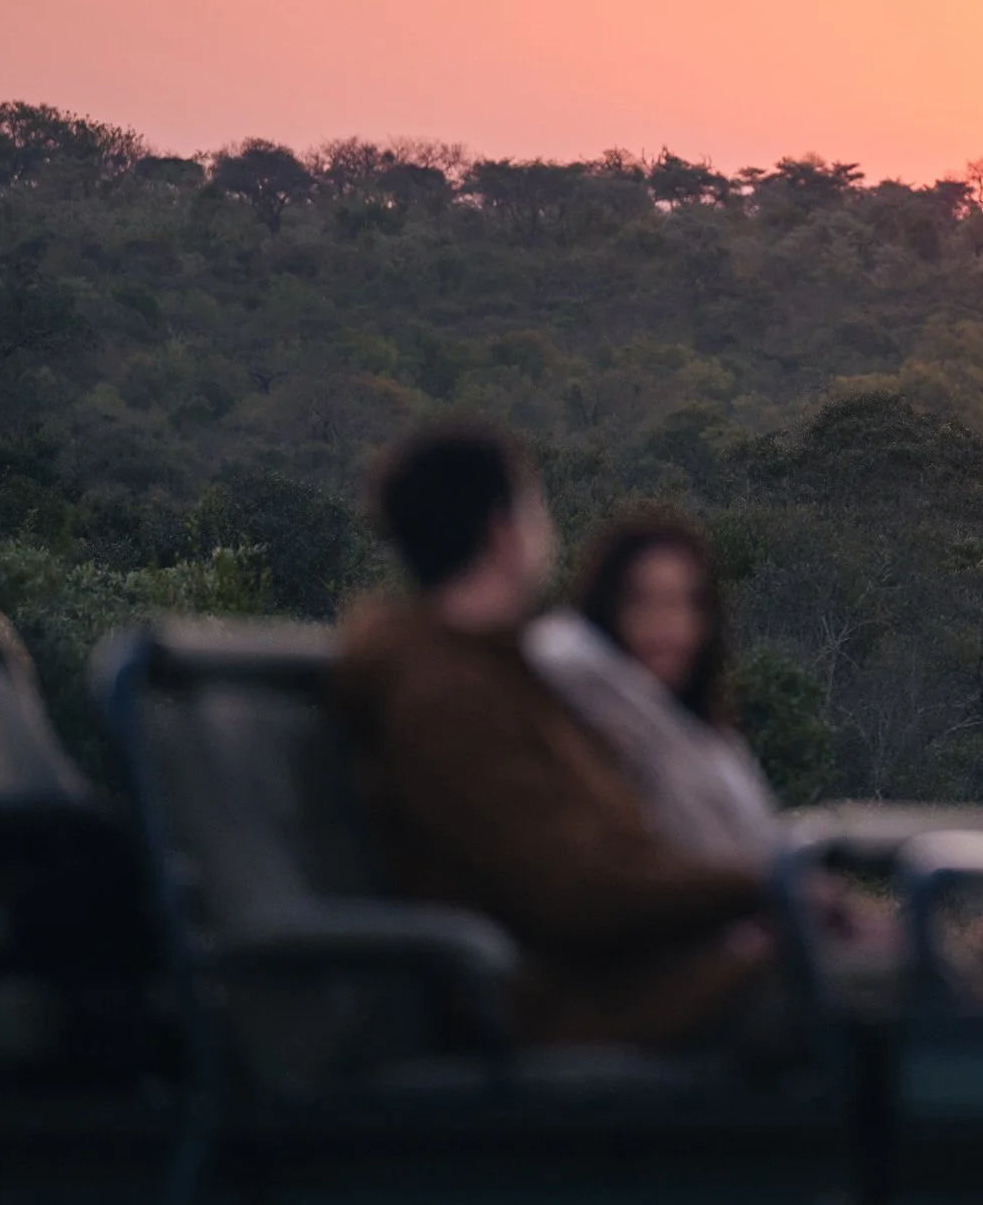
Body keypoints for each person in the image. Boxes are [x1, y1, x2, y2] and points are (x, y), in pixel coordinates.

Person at [335, 424, 773, 1048]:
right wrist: (764, 887)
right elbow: (577, 894)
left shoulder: (500, 671)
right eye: (538, 507)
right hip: (573, 1007)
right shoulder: (449, 699)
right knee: (887, 999)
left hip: (628, 977)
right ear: (503, 531)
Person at [523, 511, 783, 872]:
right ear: (607, 610)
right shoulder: (590, 726)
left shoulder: (710, 740)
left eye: (682, 603)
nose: (664, 626)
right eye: (641, 601)